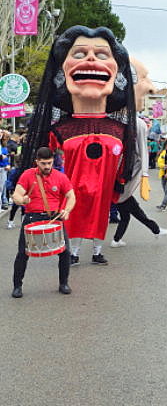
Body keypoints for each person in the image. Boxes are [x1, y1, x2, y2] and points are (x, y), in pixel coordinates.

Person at [23, 26, 138, 267]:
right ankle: (73, 251)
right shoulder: (59, 130)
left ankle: (97, 251)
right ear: (60, 71)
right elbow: (46, 162)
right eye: (78, 53)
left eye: (103, 54)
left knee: (100, 218)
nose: (91, 59)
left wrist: (122, 182)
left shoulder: (120, 131)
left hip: (104, 189)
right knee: (74, 217)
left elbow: (125, 163)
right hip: (71, 188)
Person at [110, 58, 167, 248]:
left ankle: (116, 240)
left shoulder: (133, 124)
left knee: (128, 216)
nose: (151, 88)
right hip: (119, 187)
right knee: (136, 214)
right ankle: (156, 230)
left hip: (119, 187)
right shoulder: (133, 124)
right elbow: (140, 153)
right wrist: (143, 175)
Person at [11, 147, 76, 298]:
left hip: (54, 218)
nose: (47, 166)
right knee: (23, 253)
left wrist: (67, 210)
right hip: (32, 218)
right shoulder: (28, 175)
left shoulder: (60, 177)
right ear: (37, 162)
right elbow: (16, 195)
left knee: (65, 252)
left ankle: (63, 283)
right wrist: (23, 200)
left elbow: (71, 196)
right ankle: (17, 286)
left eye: (49, 163)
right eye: (43, 163)